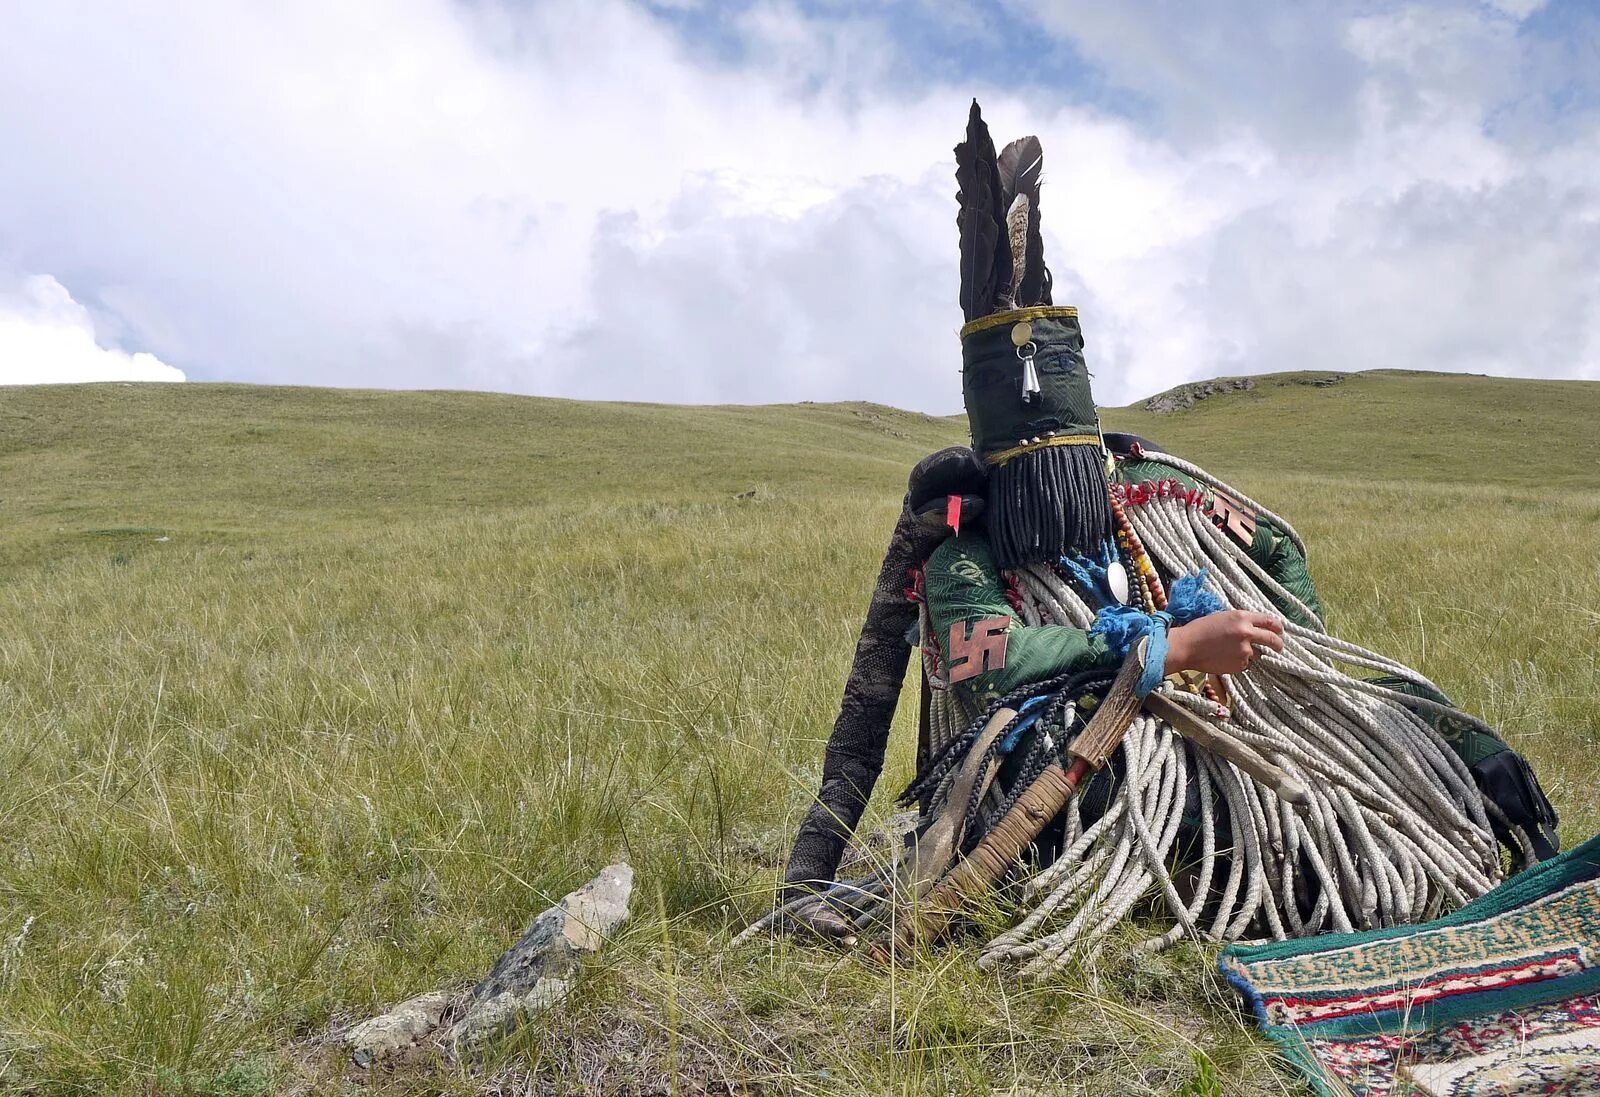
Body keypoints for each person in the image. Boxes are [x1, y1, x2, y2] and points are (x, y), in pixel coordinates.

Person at [772, 102, 1558, 949]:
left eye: (1069, 476)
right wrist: (1169, 649)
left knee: (1453, 738)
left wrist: (1281, 644)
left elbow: (1276, 544)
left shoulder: (1152, 491)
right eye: (1029, 484)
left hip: (1235, 706)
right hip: (1091, 753)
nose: (1054, 498)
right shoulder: (967, 550)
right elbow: (981, 657)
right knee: (1126, 789)